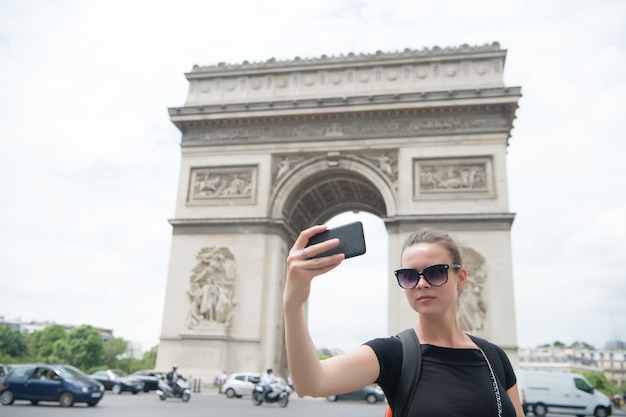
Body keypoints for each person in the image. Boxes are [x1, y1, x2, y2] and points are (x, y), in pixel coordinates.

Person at [283, 225, 525, 417]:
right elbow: (311, 383)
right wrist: (293, 304)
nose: (422, 283)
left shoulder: (494, 357)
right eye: (409, 276)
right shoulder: (393, 354)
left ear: (460, 278)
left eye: (436, 271)